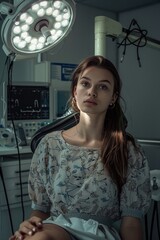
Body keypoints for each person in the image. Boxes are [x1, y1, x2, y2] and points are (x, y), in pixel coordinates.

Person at [10, 55, 151, 240]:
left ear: (113, 98)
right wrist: (29, 228)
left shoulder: (127, 150)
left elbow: (131, 222)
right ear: (75, 91)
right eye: (85, 84)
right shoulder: (49, 145)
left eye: (103, 86)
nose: (92, 92)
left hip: (100, 234)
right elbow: (40, 211)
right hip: (57, 230)